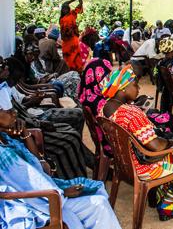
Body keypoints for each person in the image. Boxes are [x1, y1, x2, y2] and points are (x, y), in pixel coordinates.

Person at [99, 66, 173, 221]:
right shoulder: (131, 113)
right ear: (122, 89)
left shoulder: (105, 109)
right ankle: (170, 208)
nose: (138, 87)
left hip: (125, 163)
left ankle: (160, 196)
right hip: (143, 167)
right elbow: (155, 146)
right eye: (135, 84)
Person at [0, 98, 121, 229]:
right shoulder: (4, 155)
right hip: (30, 203)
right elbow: (29, 183)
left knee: (96, 199)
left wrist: (25, 133)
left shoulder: (5, 138)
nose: (14, 113)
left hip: (42, 195)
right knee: (98, 204)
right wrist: (61, 192)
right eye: (7, 110)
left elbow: (41, 166)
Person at [59, 0, 84, 71]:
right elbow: (65, 4)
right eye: (64, 9)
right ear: (62, 10)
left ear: (69, 9)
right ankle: (69, 70)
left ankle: (77, 70)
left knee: (75, 56)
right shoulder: (61, 19)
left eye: (67, 9)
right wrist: (73, 0)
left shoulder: (72, 14)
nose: (65, 10)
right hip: (66, 41)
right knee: (67, 57)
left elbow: (80, 4)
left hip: (73, 39)